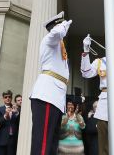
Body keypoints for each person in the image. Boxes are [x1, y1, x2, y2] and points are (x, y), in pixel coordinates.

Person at [30, 12, 72, 155]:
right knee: (42, 145)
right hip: (47, 94)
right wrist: (62, 27)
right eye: (61, 24)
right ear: (56, 26)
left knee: (52, 145)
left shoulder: (58, 45)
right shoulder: (49, 39)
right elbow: (56, 34)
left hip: (55, 96)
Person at [0, 90, 19, 155]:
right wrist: (5, 115)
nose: (7, 98)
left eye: (9, 97)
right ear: (3, 98)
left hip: (13, 139)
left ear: (11, 98)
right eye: (6, 97)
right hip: (2, 139)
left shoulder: (16, 109)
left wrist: (16, 113)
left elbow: (19, 123)